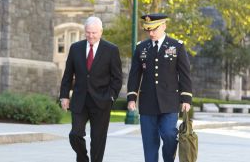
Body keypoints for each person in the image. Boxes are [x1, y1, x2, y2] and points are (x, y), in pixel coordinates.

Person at [127, 13, 192, 162]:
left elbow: (185, 74)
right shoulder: (141, 47)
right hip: (148, 103)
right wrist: (132, 97)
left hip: (169, 102)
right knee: (149, 143)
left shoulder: (177, 46)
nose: (151, 33)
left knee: (170, 135)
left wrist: (186, 98)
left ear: (164, 26)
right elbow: (134, 75)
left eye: (154, 29)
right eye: (148, 30)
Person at [59, 16, 122, 162]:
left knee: (98, 141)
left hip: (102, 102)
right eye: (88, 32)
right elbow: (68, 74)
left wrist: (111, 97)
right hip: (80, 100)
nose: (91, 36)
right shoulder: (76, 48)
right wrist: (64, 96)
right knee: (75, 134)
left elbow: (117, 78)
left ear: (101, 32)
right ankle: (82, 158)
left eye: (94, 33)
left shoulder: (111, 50)